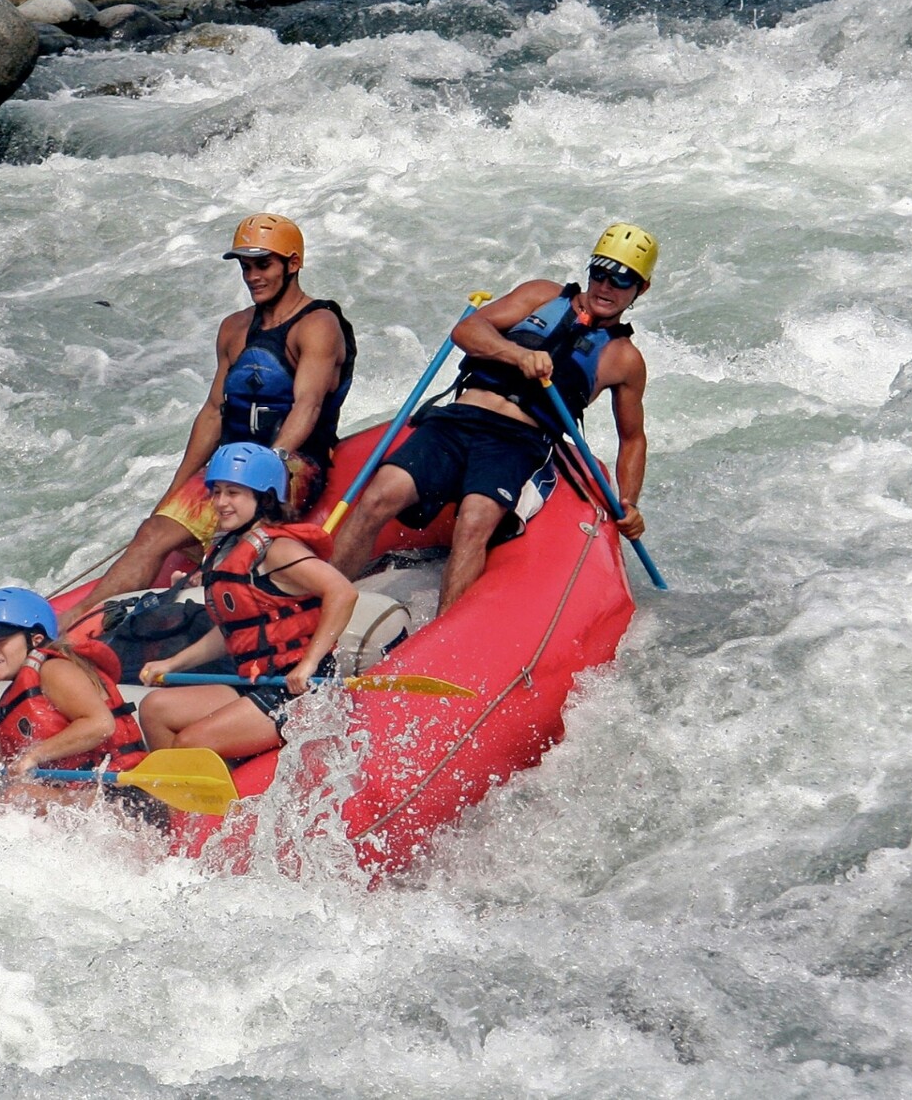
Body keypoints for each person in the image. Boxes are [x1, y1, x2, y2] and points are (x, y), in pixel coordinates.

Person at [328, 223, 656, 612]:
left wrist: (629, 501)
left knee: (475, 521)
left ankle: (443, 636)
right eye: (599, 273)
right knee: (378, 497)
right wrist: (517, 355)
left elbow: (632, 438)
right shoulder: (542, 295)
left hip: (517, 442)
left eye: (621, 280)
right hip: (458, 419)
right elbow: (468, 330)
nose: (605, 286)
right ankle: (321, 604)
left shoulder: (625, 359)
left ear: (641, 288)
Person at [61, 213, 358, 631]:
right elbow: (215, 410)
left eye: (263, 265)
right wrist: (176, 487)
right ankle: (75, 626)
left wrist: (262, 470)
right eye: (246, 267)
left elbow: (306, 408)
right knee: (152, 533)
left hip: (292, 464)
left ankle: (212, 584)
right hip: (229, 463)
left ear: (293, 263)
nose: (252, 276)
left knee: (233, 545)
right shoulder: (234, 328)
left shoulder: (318, 325)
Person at [136, 444, 358, 759]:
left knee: (190, 742)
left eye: (233, 493)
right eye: (217, 492)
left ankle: (200, 783)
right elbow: (236, 630)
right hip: (256, 678)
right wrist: (172, 663)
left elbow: (343, 592)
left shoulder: (278, 550)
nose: (221, 502)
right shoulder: (230, 548)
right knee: (154, 709)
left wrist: (309, 663)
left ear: (265, 498)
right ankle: (179, 791)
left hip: (299, 687)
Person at [0, 587, 148, 783]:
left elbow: (100, 724)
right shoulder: (23, 687)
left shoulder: (54, 669)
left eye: (0, 640)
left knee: (16, 794)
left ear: (35, 640)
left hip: (120, 784)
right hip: (80, 789)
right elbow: (10, 759)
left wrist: (34, 756)